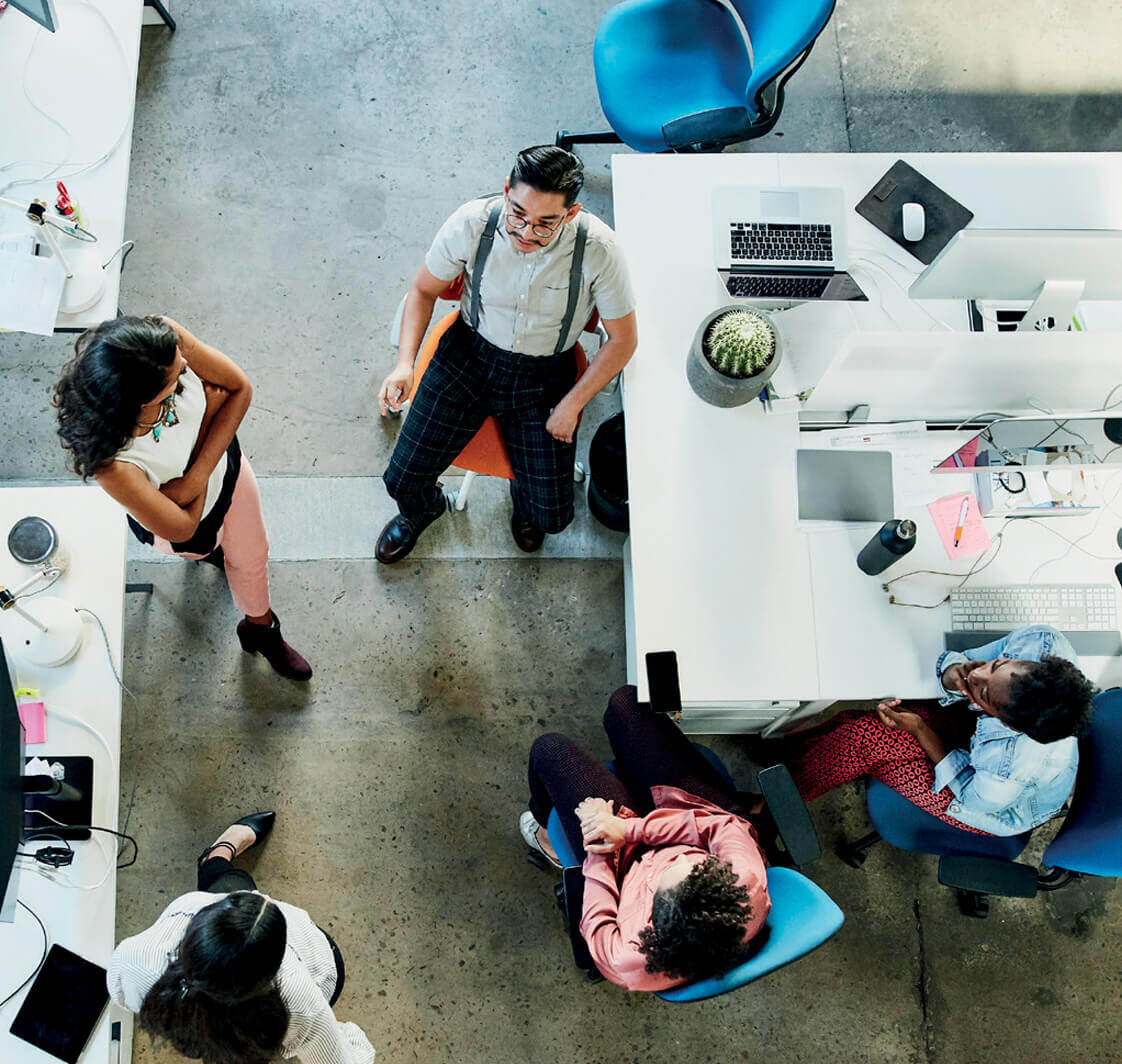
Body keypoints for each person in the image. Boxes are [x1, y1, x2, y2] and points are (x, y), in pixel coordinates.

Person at [375, 145, 637, 562]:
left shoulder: (600, 250)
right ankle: (424, 509)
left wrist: (572, 404)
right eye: (518, 214)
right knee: (401, 479)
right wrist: (405, 364)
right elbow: (423, 289)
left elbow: (623, 340)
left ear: (571, 213)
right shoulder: (473, 222)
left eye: (545, 223)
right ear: (505, 193)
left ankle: (526, 495)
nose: (526, 233)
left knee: (550, 516)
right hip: (469, 355)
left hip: (546, 374)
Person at [53, 315, 311, 681]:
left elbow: (240, 389)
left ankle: (261, 628)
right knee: (208, 549)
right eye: (175, 383)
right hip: (194, 526)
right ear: (137, 403)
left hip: (230, 475)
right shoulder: (113, 464)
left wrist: (187, 485)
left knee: (253, 557)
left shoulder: (164, 340)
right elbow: (183, 527)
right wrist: (208, 421)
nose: (187, 367)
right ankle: (217, 557)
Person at [521, 685, 770, 991]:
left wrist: (599, 834)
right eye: (698, 862)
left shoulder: (624, 959)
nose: (672, 857)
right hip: (687, 815)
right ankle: (632, 778)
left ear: (653, 918)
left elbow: (596, 916)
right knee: (626, 703)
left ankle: (547, 837)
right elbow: (721, 826)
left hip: (622, 864)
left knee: (550, 750)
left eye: (666, 872)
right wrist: (628, 829)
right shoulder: (742, 883)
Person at [108, 811, 375, 1064]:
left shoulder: (144, 953)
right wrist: (336, 1031)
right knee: (234, 882)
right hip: (307, 987)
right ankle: (218, 856)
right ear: (274, 969)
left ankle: (217, 854)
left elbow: (119, 991)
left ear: (194, 934)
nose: (262, 897)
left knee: (222, 881)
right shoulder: (302, 1001)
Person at [780, 625, 1096, 836]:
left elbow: (971, 794)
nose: (979, 675)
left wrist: (919, 728)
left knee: (866, 740)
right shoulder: (1042, 643)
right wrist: (953, 674)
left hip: (984, 802)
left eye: (984, 694)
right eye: (997, 665)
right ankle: (787, 760)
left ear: (1007, 723)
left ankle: (774, 801)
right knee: (863, 727)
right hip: (982, 739)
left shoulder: (1008, 770)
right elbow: (970, 662)